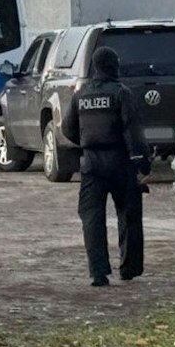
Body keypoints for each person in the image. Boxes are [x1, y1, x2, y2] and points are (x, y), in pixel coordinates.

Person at [58, 46, 150, 287]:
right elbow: (133, 131)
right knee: (129, 216)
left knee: (92, 219)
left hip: (91, 165)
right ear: (113, 66)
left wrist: (88, 143)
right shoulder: (122, 93)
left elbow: (68, 129)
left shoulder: (81, 95)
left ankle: (98, 273)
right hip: (120, 163)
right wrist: (142, 162)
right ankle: (129, 268)